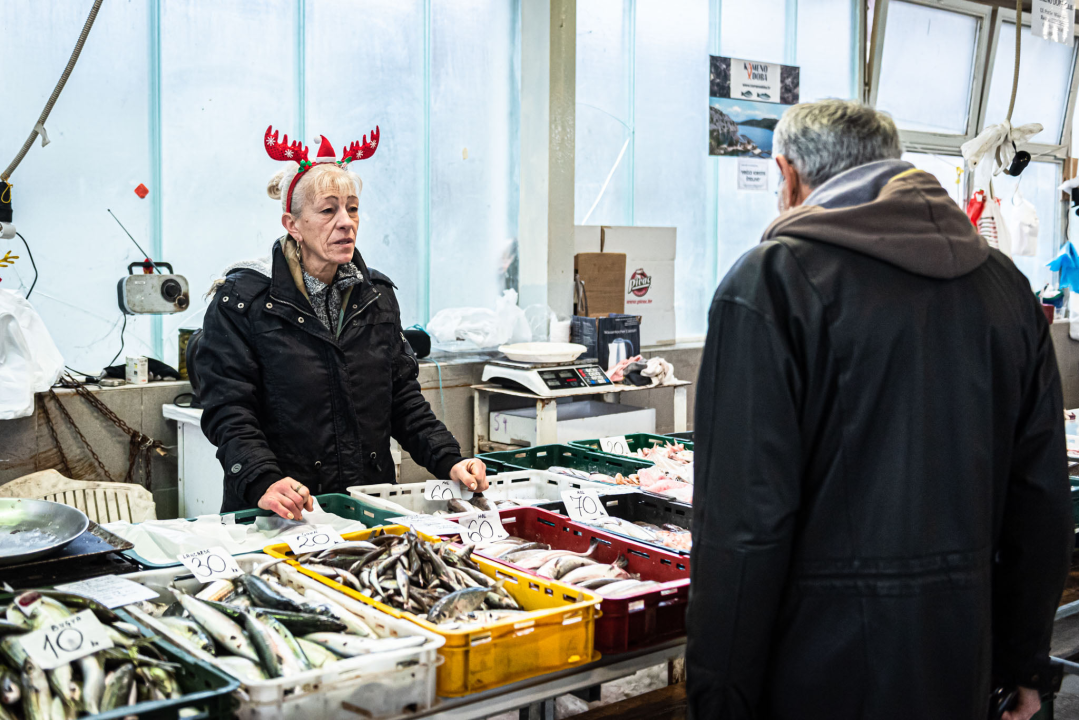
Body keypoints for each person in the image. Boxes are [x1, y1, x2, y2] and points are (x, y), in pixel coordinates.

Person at [686, 99, 1072, 720]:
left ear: (786, 176)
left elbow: (743, 526)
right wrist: (1027, 662)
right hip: (959, 661)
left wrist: (718, 698)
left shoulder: (774, 282)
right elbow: (1041, 502)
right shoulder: (1004, 287)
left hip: (815, 670)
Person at [196, 126, 487, 519]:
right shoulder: (243, 303)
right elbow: (229, 410)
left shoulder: (376, 296)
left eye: (352, 208)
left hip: (366, 504)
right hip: (281, 510)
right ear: (292, 224)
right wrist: (263, 478)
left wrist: (449, 459)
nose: (346, 221)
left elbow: (402, 398)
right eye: (328, 209)